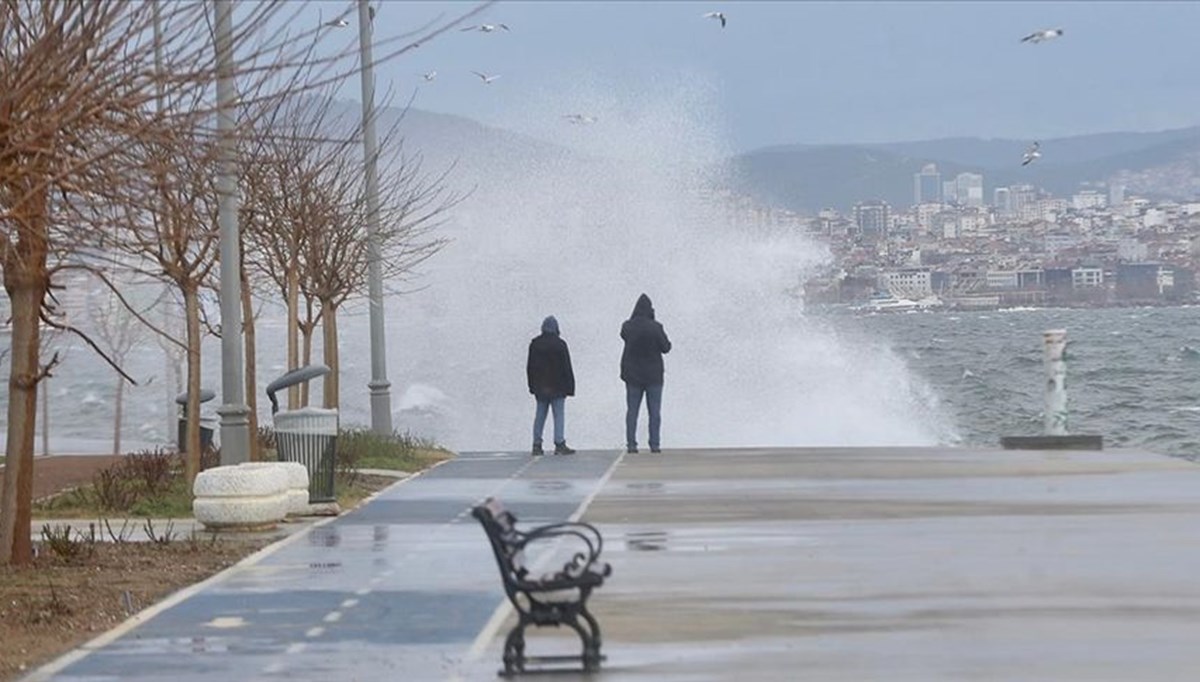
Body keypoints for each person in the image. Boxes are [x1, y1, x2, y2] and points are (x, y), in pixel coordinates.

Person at [620, 294, 671, 453]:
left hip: (633, 376)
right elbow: (666, 347)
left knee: (632, 411)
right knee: (654, 412)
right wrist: (653, 320)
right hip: (653, 376)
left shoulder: (627, 326)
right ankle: (654, 445)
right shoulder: (656, 327)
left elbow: (624, 335)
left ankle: (631, 445)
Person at [526, 315, 576, 456]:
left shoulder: (535, 344)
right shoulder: (560, 344)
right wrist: (570, 387)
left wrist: (531, 386)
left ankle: (537, 444)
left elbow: (530, 367)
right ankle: (559, 444)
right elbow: (567, 367)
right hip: (558, 387)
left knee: (540, 415)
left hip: (541, 387)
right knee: (558, 415)